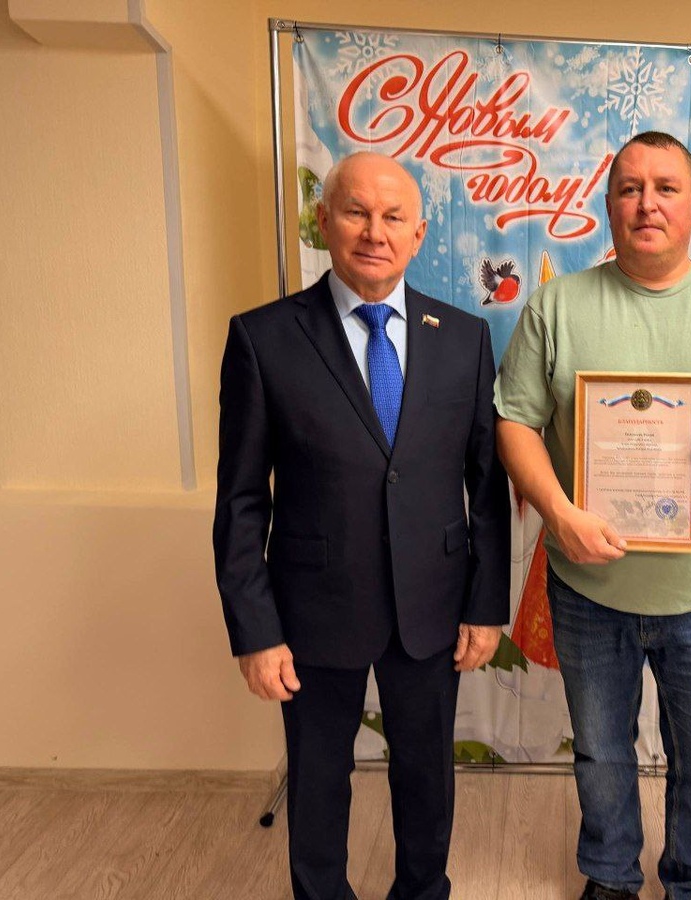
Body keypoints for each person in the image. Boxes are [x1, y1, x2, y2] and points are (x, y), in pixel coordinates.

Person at [495, 131, 691, 900]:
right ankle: (609, 874)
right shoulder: (558, 305)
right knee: (601, 753)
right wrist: (558, 512)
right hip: (588, 588)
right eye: (630, 188)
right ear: (609, 206)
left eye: (665, 188)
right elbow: (514, 421)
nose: (647, 203)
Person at [213, 151, 510, 900]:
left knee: (427, 775)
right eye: (356, 212)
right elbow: (242, 500)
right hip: (311, 612)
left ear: (418, 233)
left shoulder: (466, 337)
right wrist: (255, 631)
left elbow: (486, 484)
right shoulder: (263, 338)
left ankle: (422, 891)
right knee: (318, 780)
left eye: (393, 217)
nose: (375, 232)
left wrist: (484, 605)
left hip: (432, 606)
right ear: (324, 222)